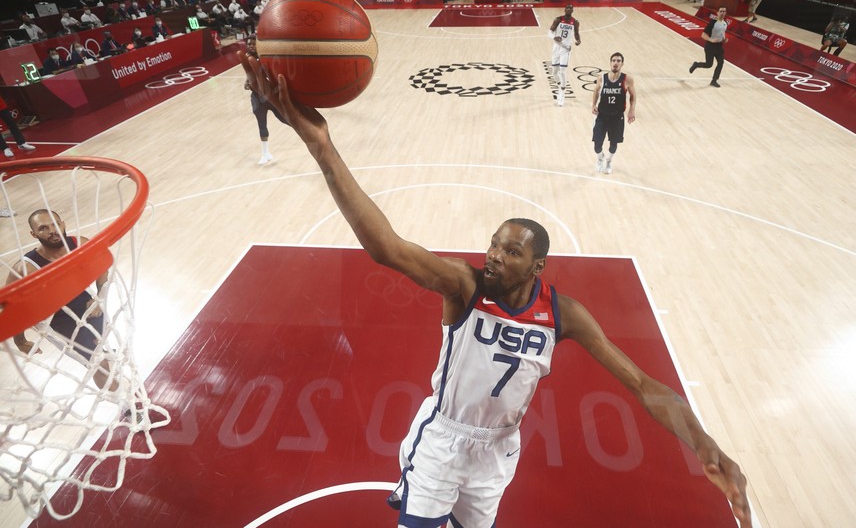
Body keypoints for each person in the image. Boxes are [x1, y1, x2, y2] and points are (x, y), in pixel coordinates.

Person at [238, 49, 753, 528]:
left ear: (538, 266)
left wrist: (705, 445)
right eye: (493, 245)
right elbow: (387, 248)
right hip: (443, 440)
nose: (494, 256)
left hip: (498, 452)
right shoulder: (463, 287)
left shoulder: (562, 314)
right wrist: (322, 146)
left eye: (511, 252)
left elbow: (644, 386)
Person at [5, 210, 118, 391]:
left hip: (89, 306)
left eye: (55, 224)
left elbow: (102, 267)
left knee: (102, 354)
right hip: (60, 323)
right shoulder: (26, 268)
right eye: (43, 228)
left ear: (63, 224)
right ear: (34, 234)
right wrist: (21, 341)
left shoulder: (79, 243)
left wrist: (99, 298)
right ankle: (129, 405)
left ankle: (119, 390)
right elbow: (10, 307)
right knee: (99, 364)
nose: (52, 230)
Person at [592, 52, 636, 174]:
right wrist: (593, 105)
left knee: (614, 143)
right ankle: (600, 157)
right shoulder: (602, 78)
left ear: (622, 64)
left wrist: (632, 110)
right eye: (613, 60)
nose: (615, 63)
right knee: (597, 143)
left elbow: (633, 95)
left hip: (617, 117)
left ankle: (609, 160)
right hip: (602, 116)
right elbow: (596, 91)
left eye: (618, 61)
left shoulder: (627, 79)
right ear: (610, 63)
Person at [244, 35, 284, 165]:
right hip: (257, 97)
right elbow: (250, 76)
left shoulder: (265, 58)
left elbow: (271, 75)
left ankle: (309, 138)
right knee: (262, 124)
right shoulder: (246, 58)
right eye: (248, 44)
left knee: (285, 119)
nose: (250, 46)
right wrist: (247, 82)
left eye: (253, 44)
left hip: (270, 96)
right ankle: (265, 153)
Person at [548, 4, 581, 107]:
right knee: (554, 72)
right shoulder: (558, 19)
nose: (568, 9)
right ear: (564, 9)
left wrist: (578, 40)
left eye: (570, 8)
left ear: (573, 10)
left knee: (562, 71)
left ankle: (562, 94)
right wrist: (554, 37)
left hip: (566, 49)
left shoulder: (575, 22)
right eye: (567, 7)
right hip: (556, 47)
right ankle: (559, 87)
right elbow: (549, 32)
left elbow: (576, 33)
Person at [689, 6, 728, 88]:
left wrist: (724, 40)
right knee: (709, 64)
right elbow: (703, 35)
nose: (722, 13)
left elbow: (722, 33)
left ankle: (714, 81)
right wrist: (711, 40)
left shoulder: (725, 23)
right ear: (717, 13)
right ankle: (696, 64)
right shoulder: (712, 23)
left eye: (724, 11)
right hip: (710, 46)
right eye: (721, 11)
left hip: (719, 47)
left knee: (721, 63)